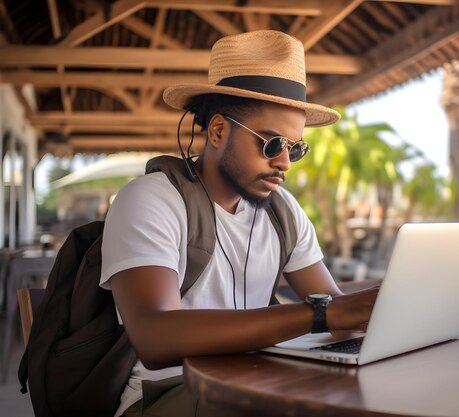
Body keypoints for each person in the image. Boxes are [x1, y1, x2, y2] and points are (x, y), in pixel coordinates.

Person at [99, 30, 379, 417]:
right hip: (170, 393)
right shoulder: (152, 199)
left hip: (262, 382)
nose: (283, 162)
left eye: (294, 148)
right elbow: (155, 337)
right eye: (271, 143)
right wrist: (320, 314)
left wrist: (380, 310)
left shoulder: (283, 211)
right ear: (218, 131)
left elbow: (340, 316)